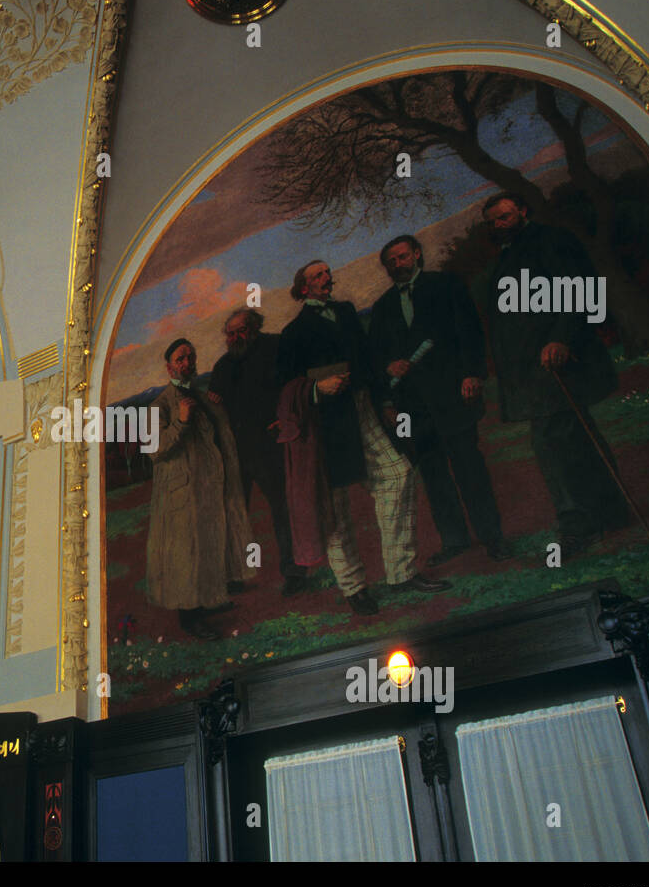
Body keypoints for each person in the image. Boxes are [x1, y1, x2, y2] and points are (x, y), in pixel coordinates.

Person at [276, 260, 450, 615]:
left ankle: (401, 572)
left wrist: (384, 400)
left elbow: (368, 360)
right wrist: (315, 389)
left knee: (398, 474)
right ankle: (354, 588)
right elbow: (285, 387)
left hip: (362, 409)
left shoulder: (346, 311)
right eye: (318, 275)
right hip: (326, 428)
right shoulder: (294, 332)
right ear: (303, 287)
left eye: (327, 272)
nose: (327, 278)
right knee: (335, 511)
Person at [481, 192, 627, 555]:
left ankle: (578, 527)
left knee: (554, 445)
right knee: (572, 438)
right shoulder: (508, 254)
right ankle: (611, 512)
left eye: (504, 217)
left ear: (522, 212)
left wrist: (561, 338)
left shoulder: (550, 240)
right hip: (531, 373)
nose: (498, 225)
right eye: (493, 221)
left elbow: (578, 290)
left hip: (558, 363)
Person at [368, 235, 509, 567]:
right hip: (413, 407)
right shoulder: (384, 306)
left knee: (470, 469)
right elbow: (374, 355)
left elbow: (471, 332)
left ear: (417, 254)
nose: (398, 264)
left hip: (452, 395)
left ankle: (493, 538)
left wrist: (473, 374)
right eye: (391, 261)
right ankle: (454, 540)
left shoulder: (445, 285)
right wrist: (389, 369)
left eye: (402, 257)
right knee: (433, 476)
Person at [145, 338, 253, 639]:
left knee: (209, 545)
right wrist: (180, 421)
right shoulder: (160, 405)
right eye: (181, 359)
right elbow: (154, 450)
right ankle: (190, 619)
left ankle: (208, 602)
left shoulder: (202, 397)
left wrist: (215, 408)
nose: (187, 363)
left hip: (207, 488)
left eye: (191, 357)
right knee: (186, 553)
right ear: (169, 366)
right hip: (181, 493)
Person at [209, 308, 308, 596]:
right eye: (230, 333)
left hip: (270, 445)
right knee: (233, 513)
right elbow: (217, 404)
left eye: (240, 330)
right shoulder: (223, 366)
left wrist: (286, 417)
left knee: (282, 509)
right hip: (236, 452)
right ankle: (233, 576)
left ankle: (294, 572)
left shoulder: (275, 347)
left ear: (254, 328)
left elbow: (295, 385)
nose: (235, 337)